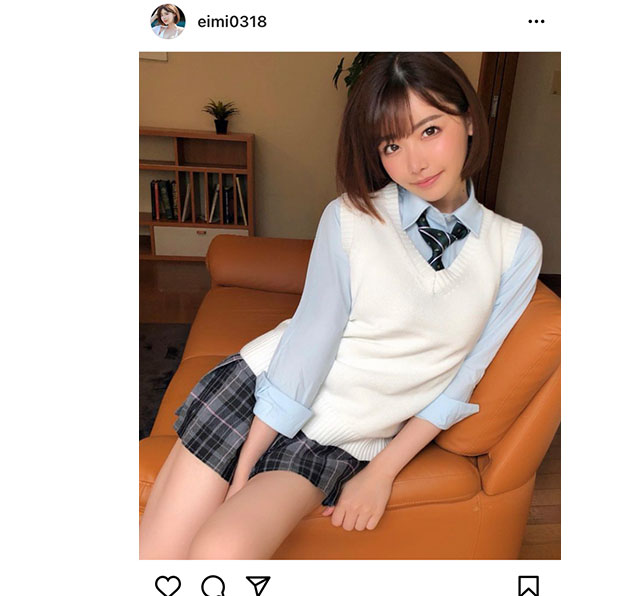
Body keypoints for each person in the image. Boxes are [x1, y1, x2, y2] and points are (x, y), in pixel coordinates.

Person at [139, 52, 543, 560]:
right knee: (156, 561)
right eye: (392, 144)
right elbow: (310, 342)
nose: (415, 163)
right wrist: (242, 471)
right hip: (259, 394)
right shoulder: (350, 217)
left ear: (468, 120)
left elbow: (464, 378)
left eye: (430, 130)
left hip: (341, 439)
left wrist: (382, 471)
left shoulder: (515, 249)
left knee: (221, 553)